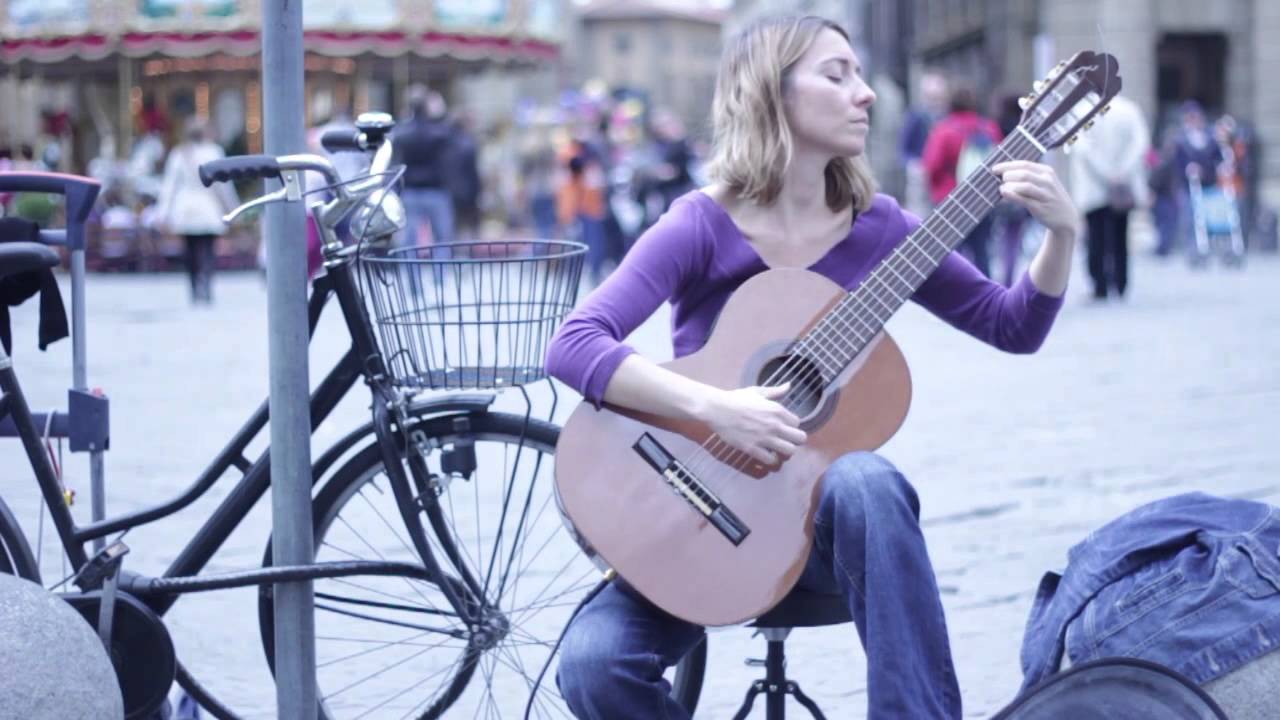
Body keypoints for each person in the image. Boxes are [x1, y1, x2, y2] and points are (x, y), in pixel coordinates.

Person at [544, 14, 1079, 719]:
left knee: (867, 479)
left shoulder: (882, 228)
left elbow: (1011, 326)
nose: (866, 94)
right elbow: (573, 343)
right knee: (591, 667)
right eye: (838, 75)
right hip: (695, 524)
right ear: (772, 93)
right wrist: (714, 409)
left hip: (823, 537)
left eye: (860, 74)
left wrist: (1063, 235)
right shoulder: (702, 225)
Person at [1069, 94, 1149, 300]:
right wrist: (1122, 171)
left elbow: (1082, 149)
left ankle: (1100, 285)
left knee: (1095, 238)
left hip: (1093, 187)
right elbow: (1141, 144)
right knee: (1121, 237)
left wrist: (1105, 173)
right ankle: (1121, 283)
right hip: (1123, 185)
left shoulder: (1081, 110)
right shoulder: (1130, 109)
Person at [922, 83, 1004, 278]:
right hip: (983, 198)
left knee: (953, 256)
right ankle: (986, 295)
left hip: (951, 198)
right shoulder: (989, 128)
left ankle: (957, 300)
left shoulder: (943, 130)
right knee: (982, 250)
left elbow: (931, 165)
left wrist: (934, 190)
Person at [155, 118, 238, 304]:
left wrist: (163, 213)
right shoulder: (214, 151)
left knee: (190, 250)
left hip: (186, 207)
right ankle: (206, 283)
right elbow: (224, 185)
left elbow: (169, 186)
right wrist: (233, 208)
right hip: (208, 206)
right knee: (207, 248)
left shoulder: (179, 154)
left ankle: (194, 287)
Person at [392, 85, 457, 252]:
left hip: (411, 190)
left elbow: (395, 162)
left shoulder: (401, 133)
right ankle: (439, 277)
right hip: (436, 189)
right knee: (442, 238)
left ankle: (410, 277)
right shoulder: (439, 132)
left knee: (409, 239)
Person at [899, 71, 949, 218]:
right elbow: (904, 148)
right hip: (920, 174)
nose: (935, 101)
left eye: (939, 97)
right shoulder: (915, 116)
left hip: (942, 175)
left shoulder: (948, 115)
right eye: (932, 97)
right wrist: (914, 164)